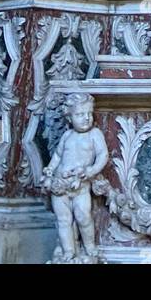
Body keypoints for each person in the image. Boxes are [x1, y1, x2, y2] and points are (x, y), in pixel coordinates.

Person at [42, 93, 108, 264]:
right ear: (69, 118)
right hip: (60, 184)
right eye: (80, 114)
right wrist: (50, 168)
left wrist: (91, 170)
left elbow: (103, 155)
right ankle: (69, 251)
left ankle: (90, 246)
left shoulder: (95, 134)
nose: (86, 118)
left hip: (80, 184)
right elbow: (57, 155)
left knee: (83, 216)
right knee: (63, 220)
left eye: (89, 113)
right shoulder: (67, 136)